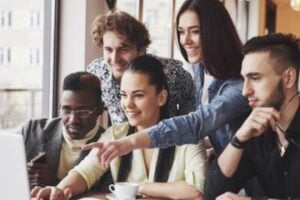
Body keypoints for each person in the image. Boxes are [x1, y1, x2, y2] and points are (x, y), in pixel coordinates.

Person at [82, 0, 250, 168]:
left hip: (242, 181)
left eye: (195, 31)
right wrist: (217, 149)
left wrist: (129, 142)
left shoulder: (238, 85)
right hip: (130, 157)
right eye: (181, 32)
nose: (185, 40)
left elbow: (196, 124)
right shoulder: (200, 67)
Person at [31, 55, 207, 200]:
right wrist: (59, 190)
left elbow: (195, 191)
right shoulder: (116, 134)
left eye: (138, 95)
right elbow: (86, 172)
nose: (128, 104)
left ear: (161, 97)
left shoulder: (188, 137)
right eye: (124, 95)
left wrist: (139, 188)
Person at [204, 33, 300, 200]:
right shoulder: (255, 128)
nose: (245, 91)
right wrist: (238, 139)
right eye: (244, 79)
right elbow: (213, 193)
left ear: (288, 78)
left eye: (255, 78)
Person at [87, 10, 195, 124]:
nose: (115, 59)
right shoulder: (96, 72)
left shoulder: (173, 73)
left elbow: (192, 115)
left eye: (124, 49)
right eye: (108, 49)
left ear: (141, 50)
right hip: (121, 139)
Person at [20, 72, 106, 187]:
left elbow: (106, 193)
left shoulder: (108, 145)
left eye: (82, 112)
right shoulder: (32, 130)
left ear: (100, 109)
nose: (73, 120)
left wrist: (55, 182)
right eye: (66, 110)